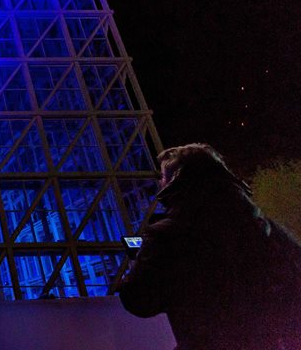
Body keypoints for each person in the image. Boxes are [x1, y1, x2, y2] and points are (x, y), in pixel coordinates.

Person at [117, 143, 301, 350]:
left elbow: (140, 301)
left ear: (175, 181)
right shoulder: (269, 230)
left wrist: (134, 271)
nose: (160, 183)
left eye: (162, 177)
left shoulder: (169, 235)